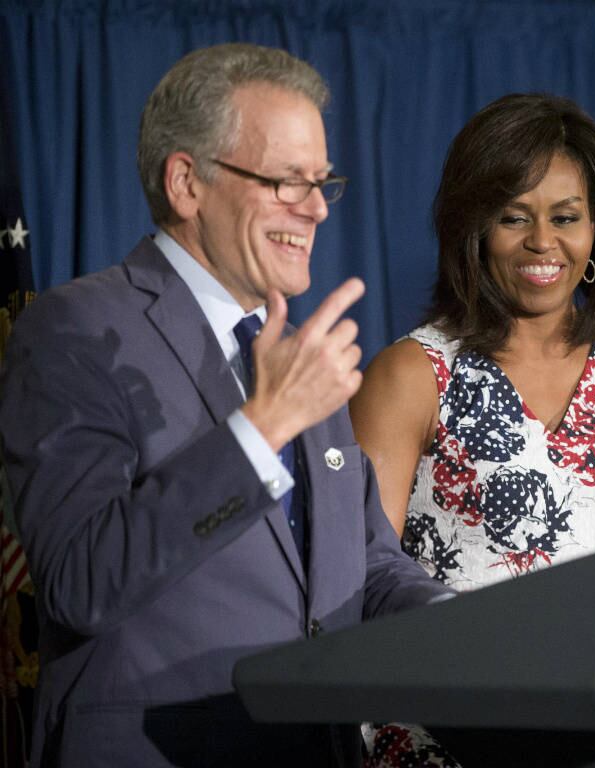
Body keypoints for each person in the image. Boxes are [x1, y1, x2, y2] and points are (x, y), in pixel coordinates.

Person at [0, 43, 452, 768]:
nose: (313, 209)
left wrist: (456, 621)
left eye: (320, 182)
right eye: (284, 182)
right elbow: (81, 580)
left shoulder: (298, 357)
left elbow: (362, 564)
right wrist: (261, 427)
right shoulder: (76, 329)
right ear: (187, 183)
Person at [349, 93, 595, 765]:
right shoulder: (411, 374)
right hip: (444, 731)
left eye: (566, 217)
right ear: (473, 228)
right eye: (514, 217)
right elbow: (359, 582)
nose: (544, 242)